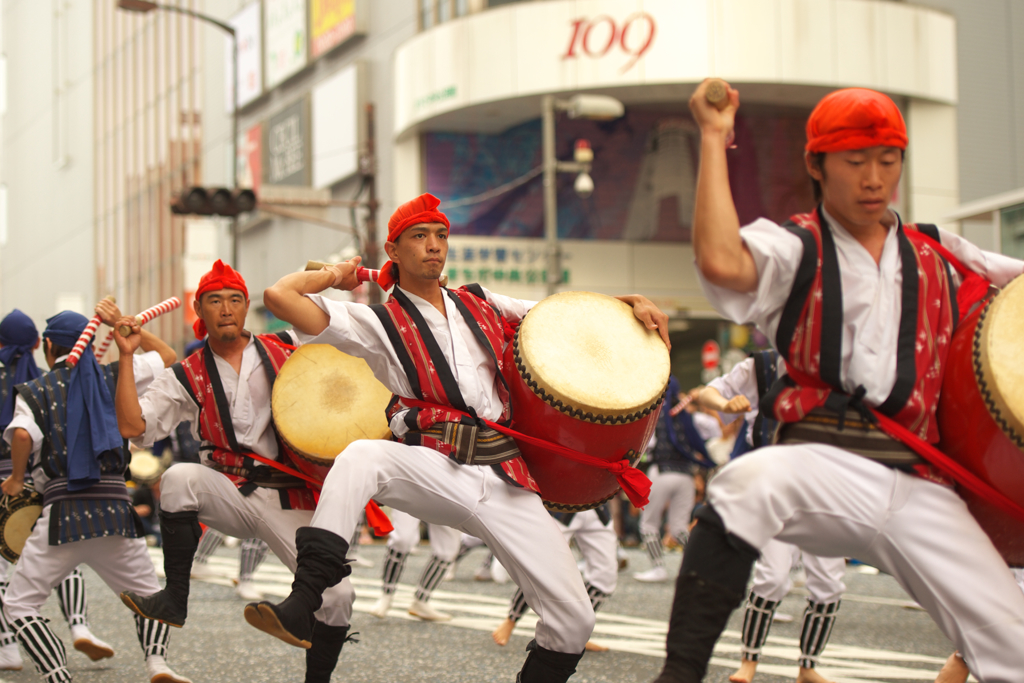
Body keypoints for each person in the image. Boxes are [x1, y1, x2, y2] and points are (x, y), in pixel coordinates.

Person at [651, 81, 1024, 683]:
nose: (874, 178)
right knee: (749, 481)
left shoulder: (940, 251)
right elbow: (721, 260)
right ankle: (680, 675)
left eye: (887, 160)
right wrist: (715, 136)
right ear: (817, 166)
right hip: (826, 464)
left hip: (923, 482)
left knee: (1014, 649)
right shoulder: (796, 247)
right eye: (855, 162)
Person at [252, 192, 669, 682]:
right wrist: (337, 276)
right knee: (363, 457)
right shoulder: (375, 323)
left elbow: (564, 319)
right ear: (393, 251)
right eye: (419, 237)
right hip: (440, 466)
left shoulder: (481, 302)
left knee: (574, 620)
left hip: (507, 476)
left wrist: (631, 302)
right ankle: (306, 598)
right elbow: (281, 297)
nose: (434, 246)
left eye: (441, 236)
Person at [112, 260, 360, 683]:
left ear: (246, 307)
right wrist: (126, 355)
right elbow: (134, 427)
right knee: (178, 478)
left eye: (234, 300)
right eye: (214, 301)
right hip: (228, 490)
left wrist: (332, 275)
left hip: (290, 495)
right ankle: (175, 597)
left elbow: (342, 340)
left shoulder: (287, 345)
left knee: (338, 596)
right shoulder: (185, 374)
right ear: (200, 312)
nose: (225, 309)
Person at [2, 303, 189, 683]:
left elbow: (21, 434)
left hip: (62, 516)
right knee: (150, 595)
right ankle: (158, 663)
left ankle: (57, 673)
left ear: (49, 348)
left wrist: (16, 478)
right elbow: (168, 357)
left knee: (19, 604)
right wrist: (126, 325)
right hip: (116, 511)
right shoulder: (117, 374)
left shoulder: (36, 390)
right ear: (88, 345)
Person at [700, 352, 846, 683]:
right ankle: (748, 661)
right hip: (777, 488)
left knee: (828, 583)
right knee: (774, 576)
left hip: (827, 488)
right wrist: (725, 405)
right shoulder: (763, 365)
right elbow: (708, 390)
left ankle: (808, 666)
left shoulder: (841, 365)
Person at [0, 311, 114, 671]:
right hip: (44, 482)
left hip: (7, 482)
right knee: (63, 551)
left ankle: (8, 647)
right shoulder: (46, 379)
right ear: (38, 344)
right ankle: (79, 623)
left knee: (4, 569)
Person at [491, 506, 617, 653]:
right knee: (542, 567)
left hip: (598, 506)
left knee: (605, 576)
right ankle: (512, 619)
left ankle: (576, 633)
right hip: (562, 503)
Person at [634, 377, 712, 583]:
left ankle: (658, 568)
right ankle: (701, 566)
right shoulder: (688, 417)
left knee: (649, 524)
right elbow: (713, 429)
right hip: (686, 476)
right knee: (679, 528)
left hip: (661, 472)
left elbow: (645, 447)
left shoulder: (654, 415)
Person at [368, 510, 462, 621]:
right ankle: (386, 595)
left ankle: (421, 601)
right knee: (402, 539)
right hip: (412, 493)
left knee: (447, 551)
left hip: (448, 496)